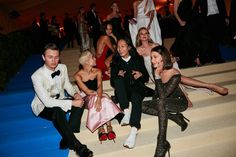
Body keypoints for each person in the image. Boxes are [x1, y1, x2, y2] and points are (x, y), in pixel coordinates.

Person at [31, 43, 93, 157]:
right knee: (57, 111)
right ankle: (78, 147)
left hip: (60, 99)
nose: (54, 60)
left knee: (81, 102)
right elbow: (48, 102)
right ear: (43, 57)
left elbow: (67, 85)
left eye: (56, 57)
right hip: (43, 106)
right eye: (50, 57)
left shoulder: (62, 67)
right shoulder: (36, 76)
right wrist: (71, 102)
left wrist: (75, 94)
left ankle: (66, 136)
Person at [136, 27, 228, 101]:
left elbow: (166, 56)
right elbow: (138, 66)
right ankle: (205, 86)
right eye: (141, 34)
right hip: (153, 72)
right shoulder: (137, 50)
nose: (144, 35)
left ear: (149, 35)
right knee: (175, 77)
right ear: (139, 37)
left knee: (173, 74)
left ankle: (207, 86)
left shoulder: (155, 45)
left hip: (163, 68)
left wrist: (170, 60)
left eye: (146, 33)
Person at [142, 45, 189, 157]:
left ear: (163, 58)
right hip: (164, 102)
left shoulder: (174, 73)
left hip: (179, 102)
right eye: (151, 57)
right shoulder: (157, 70)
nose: (152, 60)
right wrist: (153, 102)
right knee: (140, 105)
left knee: (161, 102)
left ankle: (162, 143)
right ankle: (175, 117)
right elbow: (157, 92)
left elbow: (163, 96)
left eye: (155, 57)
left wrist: (157, 77)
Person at [74, 51, 122, 143]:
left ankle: (106, 127)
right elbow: (87, 91)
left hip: (98, 94)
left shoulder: (98, 71)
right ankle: (103, 127)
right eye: (93, 57)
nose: (95, 59)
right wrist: (98, 98)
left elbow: (100, 86)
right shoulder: (78, 75)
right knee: (101, 98)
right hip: (86, 97)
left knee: (103, 99)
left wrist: (99, 98)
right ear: (87, 61)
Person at [110, 38, 150, 149]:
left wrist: (140, 74)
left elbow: (146, 77)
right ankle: (126, 112)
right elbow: (112, 82)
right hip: (124, 92)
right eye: (118, 47)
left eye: (122, 46)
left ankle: (133, 131)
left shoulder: (138, 59)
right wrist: (117, 75)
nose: (120, 49)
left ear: (129, 47)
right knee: (118, 80)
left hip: (137, 89)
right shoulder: (115, 62)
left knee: (136, 96)